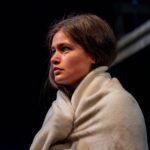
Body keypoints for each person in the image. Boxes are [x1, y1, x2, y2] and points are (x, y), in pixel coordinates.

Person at [30, 13, 149, 150]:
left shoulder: (118, 104)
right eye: (53, 51)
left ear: (93, 54)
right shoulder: (56, 112)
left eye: (65, 49)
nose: (53, 59)